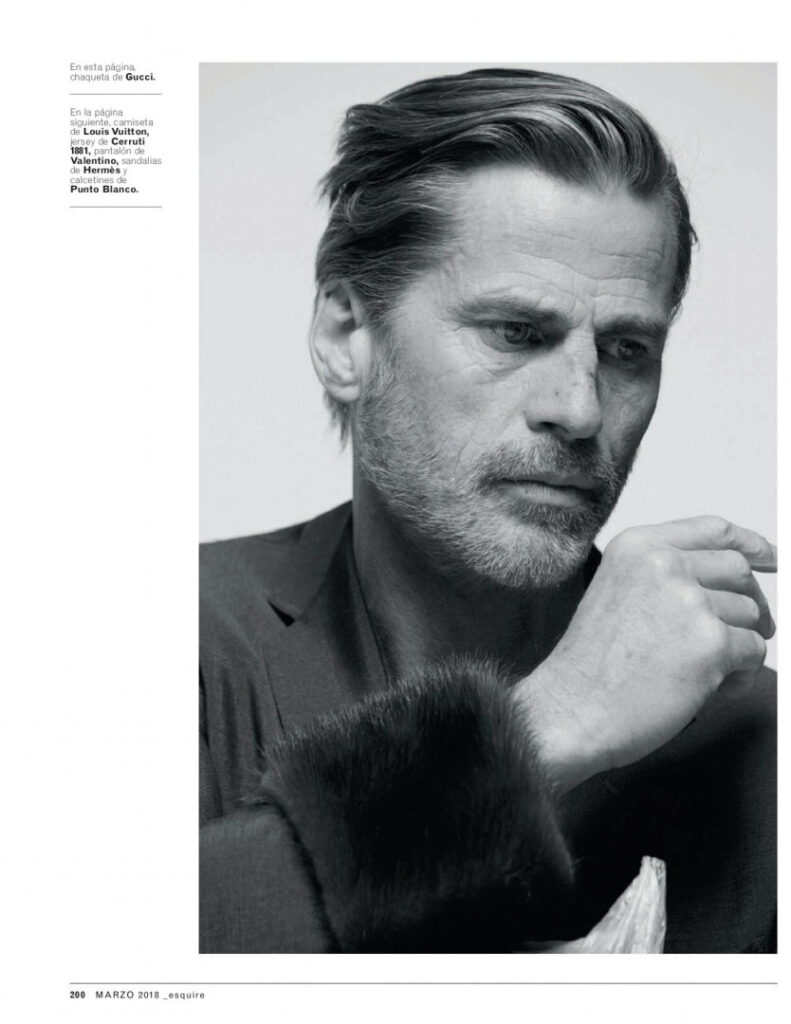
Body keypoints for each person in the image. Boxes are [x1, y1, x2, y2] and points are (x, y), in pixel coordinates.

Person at [199, 68, 776, 953]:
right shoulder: (171, 637)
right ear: (346, 338)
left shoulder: (750, 741)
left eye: (626, 349)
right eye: (514, 333)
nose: (579, 409)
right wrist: (544, 729)